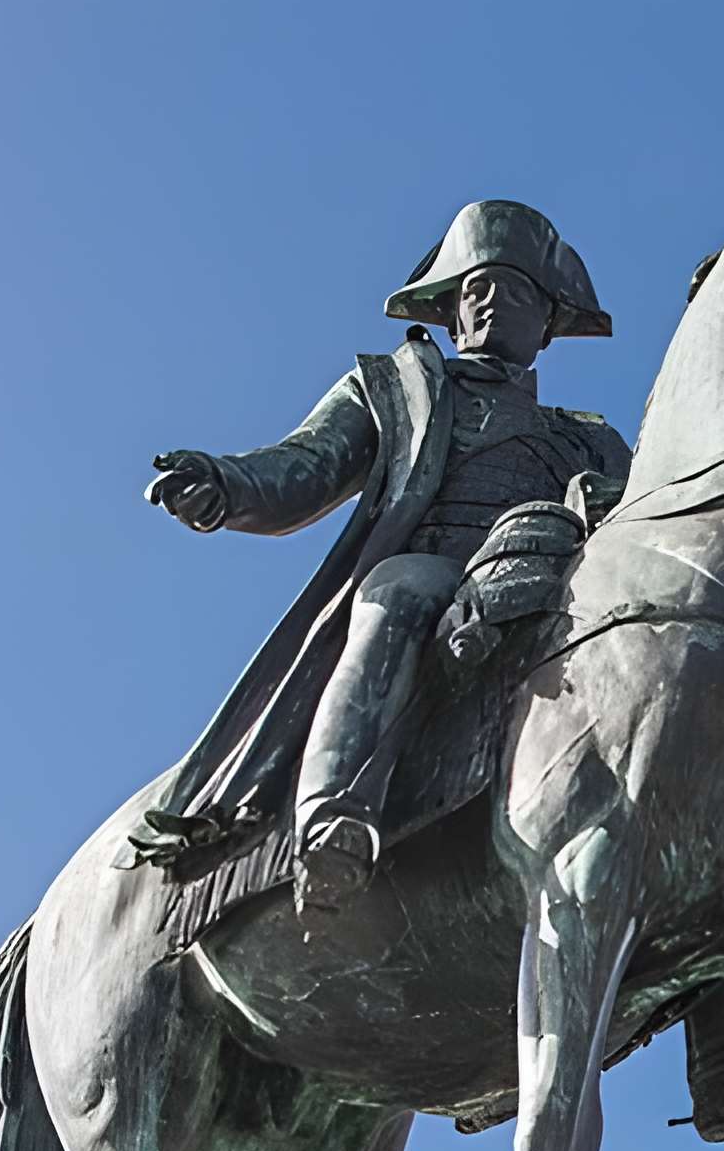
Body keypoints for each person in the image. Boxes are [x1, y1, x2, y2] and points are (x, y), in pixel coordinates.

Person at [135, 201, 629, 912]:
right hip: (435, 567)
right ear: (453, 313)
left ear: (549, 321)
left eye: (515, 291)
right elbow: (303, 465)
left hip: (550, 579)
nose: (491, 303)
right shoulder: (396, 388)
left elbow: (642, 513)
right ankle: (335, 817)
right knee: (396, 593)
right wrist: (223, 485)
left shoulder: (589, 438)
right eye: (475, 289)